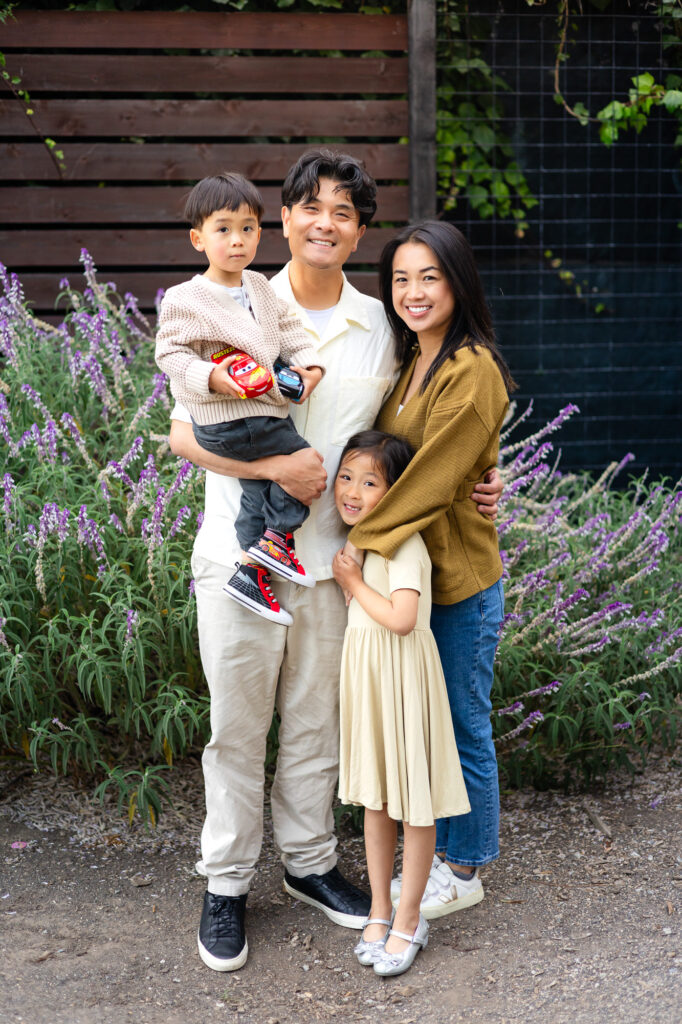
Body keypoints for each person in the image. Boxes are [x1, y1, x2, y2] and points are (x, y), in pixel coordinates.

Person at [167, 150, 503, 973]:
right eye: (309, 208)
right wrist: (270, 469)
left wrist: (480, 486)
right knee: (236, 733)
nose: (325, 222)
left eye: (344, 212)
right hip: (242, 561)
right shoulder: (228, 300)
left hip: (338, 568)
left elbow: (416, 439)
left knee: (319, 730)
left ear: (358, 230)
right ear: (281, 219)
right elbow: (181, 434)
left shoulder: (379, 326)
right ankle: (226, 883)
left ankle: (311, 863)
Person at [349, 220, 515, 921]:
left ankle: (466, 865)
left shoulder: (470, 367)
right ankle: (443, 856)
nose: (413, 293)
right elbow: (393, 458)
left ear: (457, 282)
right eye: (400, 280)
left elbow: (431, 479)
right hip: (412, 580)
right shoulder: (410, 359)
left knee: (461, 726)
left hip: (460, 587)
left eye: (429, 277)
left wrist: (359, 541)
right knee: (430, 727)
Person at [155, 173, 325, 624]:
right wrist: (212, 377)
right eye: (223, 229)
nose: (237, 240)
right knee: (304, 466)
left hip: (257, 411)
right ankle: (270, 547)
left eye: (247, 228)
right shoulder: (186, 298)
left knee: (259, 487)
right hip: (233, 418)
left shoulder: (260, 287)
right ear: (198, 238)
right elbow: (168, 353)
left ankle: (252, 571)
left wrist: (310, 368)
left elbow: (289, 330)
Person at [332, 430, 471, 977]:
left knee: (413, 803)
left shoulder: (404, 544)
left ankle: (410, 917)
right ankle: (379, 908)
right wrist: (351, 564)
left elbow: (401, 617)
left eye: (370, 482)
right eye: (346, 477)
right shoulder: (363, 542)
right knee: (376, 800)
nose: (352, 490)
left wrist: (350, 577)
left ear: (396, 493)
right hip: (372, 681)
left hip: (404, 682)